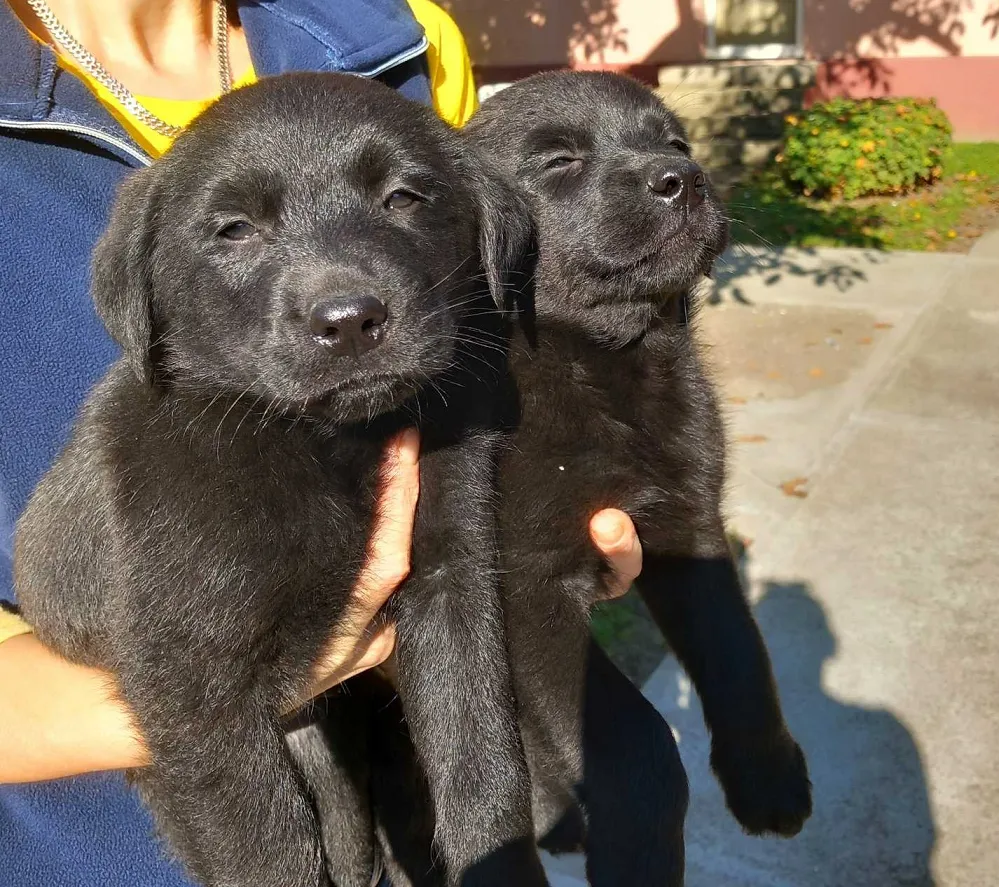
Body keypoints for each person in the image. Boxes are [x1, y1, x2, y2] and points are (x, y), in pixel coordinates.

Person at [0, 0, 644, 884]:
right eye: (233, 229)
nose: (344, 298)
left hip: (392, 800)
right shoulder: (175, 438)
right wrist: (234, 690)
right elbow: (194, 692)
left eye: (402, 197)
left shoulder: (394, 32)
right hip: (97, 837)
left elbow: (516, 285)